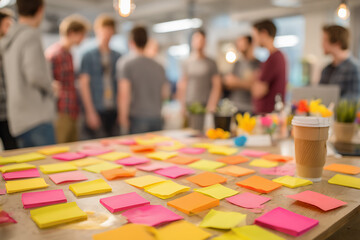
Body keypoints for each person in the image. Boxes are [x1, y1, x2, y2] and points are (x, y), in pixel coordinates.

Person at [1, 0, 56, 148]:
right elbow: (35, 75)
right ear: (40, 9)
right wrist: (52, 87)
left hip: (18, 118)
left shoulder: (9, 38)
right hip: (35, 116)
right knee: (49, 167)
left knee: (30, 169)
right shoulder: (30, 35)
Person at [45, 15, 89, 144]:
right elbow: (48, 84)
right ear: (72, 33)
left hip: (72, 109)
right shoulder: (55, 54)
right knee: (60, 149)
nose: (83, 39)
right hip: (60, 111)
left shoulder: (69, 53)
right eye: (81, 34)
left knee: (72, 150)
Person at [118, 26, 170, 134]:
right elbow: (165, 94)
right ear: (147, 42)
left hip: (137, 118)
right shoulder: (159, 66)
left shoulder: (126, 64)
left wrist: (123, 117)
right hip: (157, 117)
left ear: (131, 42)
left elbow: (124, 94)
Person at [79, 14, 121, 139]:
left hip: (113, 109)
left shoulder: (117, 56)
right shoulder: (88, 56)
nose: (107, 34)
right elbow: (84, 84)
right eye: (104, 30)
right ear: (97, 30)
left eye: (110, 31)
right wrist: (90, 112)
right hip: (96, 108)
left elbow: (120, 85)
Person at [177, 29, 221, 119]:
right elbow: (183, 84)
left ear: (205, 42)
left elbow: (217, 85)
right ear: (192, 41)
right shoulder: (186, 62)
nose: (199, 42)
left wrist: (212, 104)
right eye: (196, 39)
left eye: (201, 40)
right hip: (190, 105)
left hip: (205, 105)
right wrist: (182, 105)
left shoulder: (211, 62)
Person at [251, 19, 287, 114]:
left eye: (255, 36)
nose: (255, 40)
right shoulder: (276, 57)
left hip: (269, 115)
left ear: (263, 33)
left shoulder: (273, 58)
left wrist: (253, 81)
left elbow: (258, 91)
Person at [320, 25, 360, 99]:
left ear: (337, 43)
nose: (322, 44)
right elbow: (319, 95)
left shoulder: (354, 68)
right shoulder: (326, 69)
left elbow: (354, 100)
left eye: (325, 40)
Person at [224, 35, 261, 114]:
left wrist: (237, 82)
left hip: (251, 107)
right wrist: (246, 83)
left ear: (249, 44)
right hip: (235, 106)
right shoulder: (237, 64)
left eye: (242, 42)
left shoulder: (257, 64)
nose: (239, 46)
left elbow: (256, 87)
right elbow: (229, 83)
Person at [0, 8, 18, 150]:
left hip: (8, 113)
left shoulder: (9, 49)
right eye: (7, 25)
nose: (10, 29)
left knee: (13, 150)